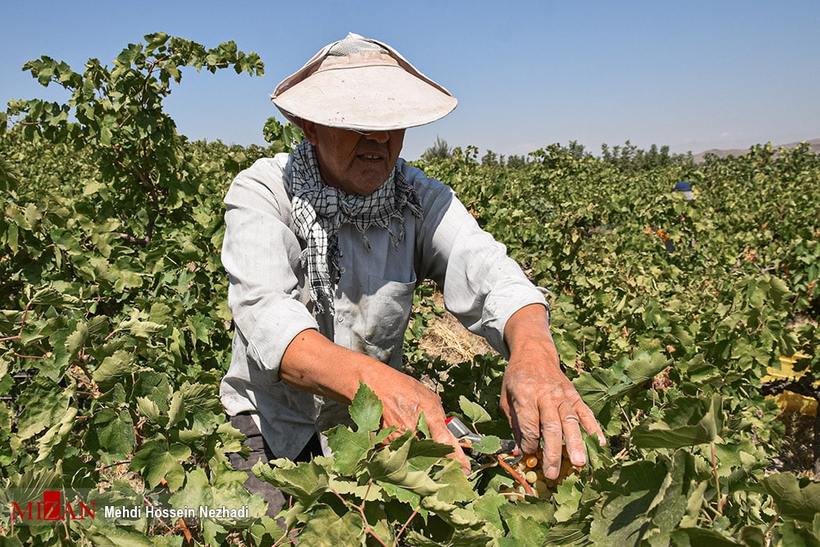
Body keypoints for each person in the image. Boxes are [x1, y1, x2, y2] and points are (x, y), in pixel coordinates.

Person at [219, 32, 605, 516]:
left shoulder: (416, 198)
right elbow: (267, 317)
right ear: (309, 126)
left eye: (391, 123)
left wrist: (533, 354)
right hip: (275, 424)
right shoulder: (264, 193)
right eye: (357, 123)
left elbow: (490, 270)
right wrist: (385, 385)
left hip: (375, 427)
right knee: (264, 523)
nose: (378, 139)